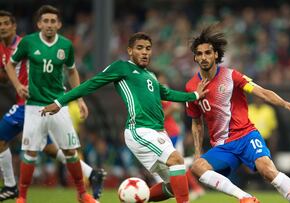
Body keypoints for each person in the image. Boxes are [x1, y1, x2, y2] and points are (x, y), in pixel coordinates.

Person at [40, 32, 209, 203]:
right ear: (130, 50)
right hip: (140, 130)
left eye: (148, 49)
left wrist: (195, 95)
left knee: (173, 186)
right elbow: (92, 83)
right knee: (177, 159)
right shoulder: (122, 67)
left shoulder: (150, 76)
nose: (145, 52)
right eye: (140, 48)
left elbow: (167, 93)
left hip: (159, 132)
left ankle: (136, 198)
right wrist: (60, 102)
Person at [185, 25, 290, 203]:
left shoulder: (231, 76)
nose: (204, 57)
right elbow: (196, 122)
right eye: (199, 53)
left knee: (268, 171)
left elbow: (262, 92)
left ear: (216, 55)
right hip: (223, 145)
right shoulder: (191, 87)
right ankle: (245, 198)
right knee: (197, 167)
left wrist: (283, 103)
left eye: (208, 52)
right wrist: (197, 151)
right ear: (195, 57)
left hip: (246, 136)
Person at [0, 10, 106, 202]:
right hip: (33, 106)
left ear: (59, 25)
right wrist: (18, 85)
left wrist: (80, 99)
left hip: (59, 104)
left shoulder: (66, 45)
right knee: (31, 152)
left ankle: (82, 194)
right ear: (39, 24)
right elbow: (10, 64)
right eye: (45, 21)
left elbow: (72, 72)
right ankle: (22, 196)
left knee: (70, 151)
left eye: (53, 21)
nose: (49, 24)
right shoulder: (28, 42)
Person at [155, 72, 205, 200]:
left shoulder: (160, 93)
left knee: (178, 163)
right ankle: (187, 188)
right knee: (176, 163)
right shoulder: (156, 93)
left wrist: (165, 114)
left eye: (163, 80)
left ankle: (193, 188)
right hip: (165, 133)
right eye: (160, 80)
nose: (162, 83)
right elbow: (176, 107)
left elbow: (174, 108)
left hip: (171, 133)